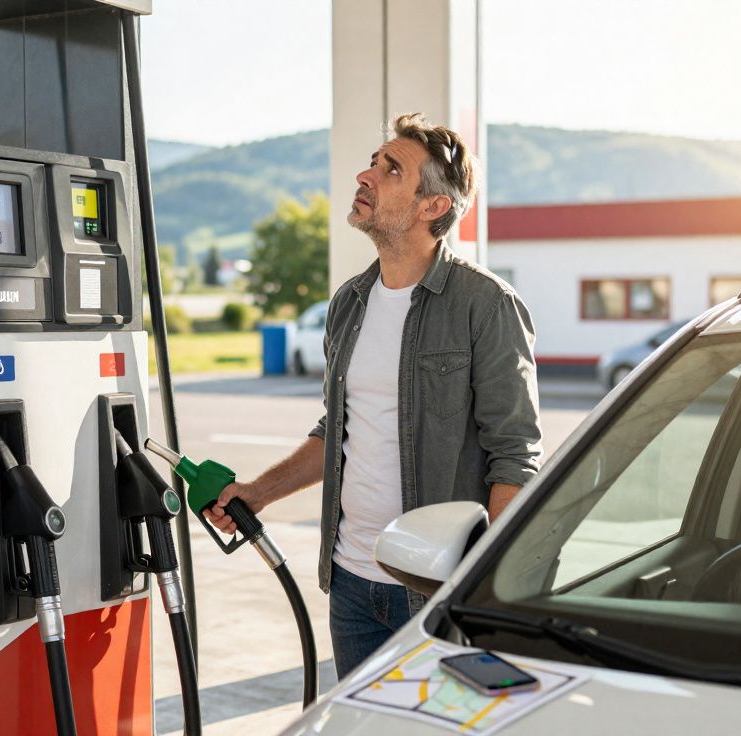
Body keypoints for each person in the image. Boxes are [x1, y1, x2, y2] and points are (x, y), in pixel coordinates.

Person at [206, 112, 543, 678]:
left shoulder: (484, 304)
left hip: (437, 589)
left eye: (391, 169)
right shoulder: (351, 302)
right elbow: (336, 432)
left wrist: (480, 587)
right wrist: (258, 492)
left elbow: (515, 456)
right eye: (374, 161)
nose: (366, 175)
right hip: (352, 584)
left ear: (432, 206)